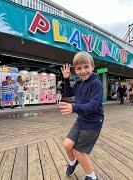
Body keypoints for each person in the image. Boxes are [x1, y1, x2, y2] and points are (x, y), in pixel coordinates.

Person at [58, 52, 103, 180]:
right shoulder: (79, 84)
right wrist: (66, 78)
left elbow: (93, 106)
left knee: (78, 151)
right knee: (67, 145)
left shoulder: (96, 83)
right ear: (75, 70)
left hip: (93, 122)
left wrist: (73, 107)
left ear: (92, 67)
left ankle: (92, 176)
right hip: (81, 119)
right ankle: (73, 162)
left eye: (86, 67)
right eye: (79, 68)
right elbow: (68, 93)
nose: (83, 71)